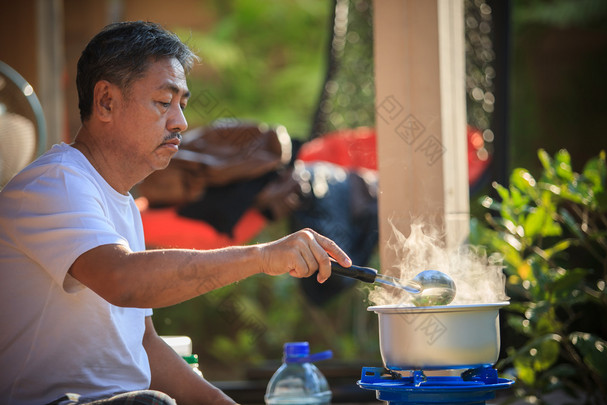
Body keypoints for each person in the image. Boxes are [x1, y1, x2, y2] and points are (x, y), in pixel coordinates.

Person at [0, 21, 352, 405]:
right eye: (163, 102)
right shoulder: (57, 183)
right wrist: (263, 256)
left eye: (182, 105)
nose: (181, 123)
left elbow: (145, 344)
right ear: (105, 102)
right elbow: (123, 281)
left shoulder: (121, 203)